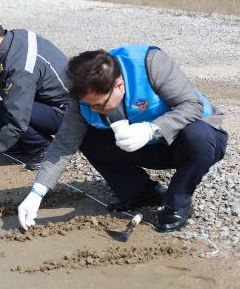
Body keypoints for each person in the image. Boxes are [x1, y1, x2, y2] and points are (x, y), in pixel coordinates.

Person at [18, 44, 228, 232]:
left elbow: (192, 105)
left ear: (119, 85)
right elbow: (64, 144)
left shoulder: (150, 64)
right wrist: (37, 192)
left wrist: (151, 129)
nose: (94, 109)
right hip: (144, 148)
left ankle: (177, 204)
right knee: (87, 135)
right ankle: (140, 192)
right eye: (89, 104)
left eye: (99, 105)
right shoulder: (82, 96)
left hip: (191, 141)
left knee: (199, 137)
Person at [0, 17, 71, 171]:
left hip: (69, 113)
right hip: (51, 101)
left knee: (9, 112)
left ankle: (47, 150)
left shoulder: (20, 66)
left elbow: (18, 120)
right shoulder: (14, 38)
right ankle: (24, 143)